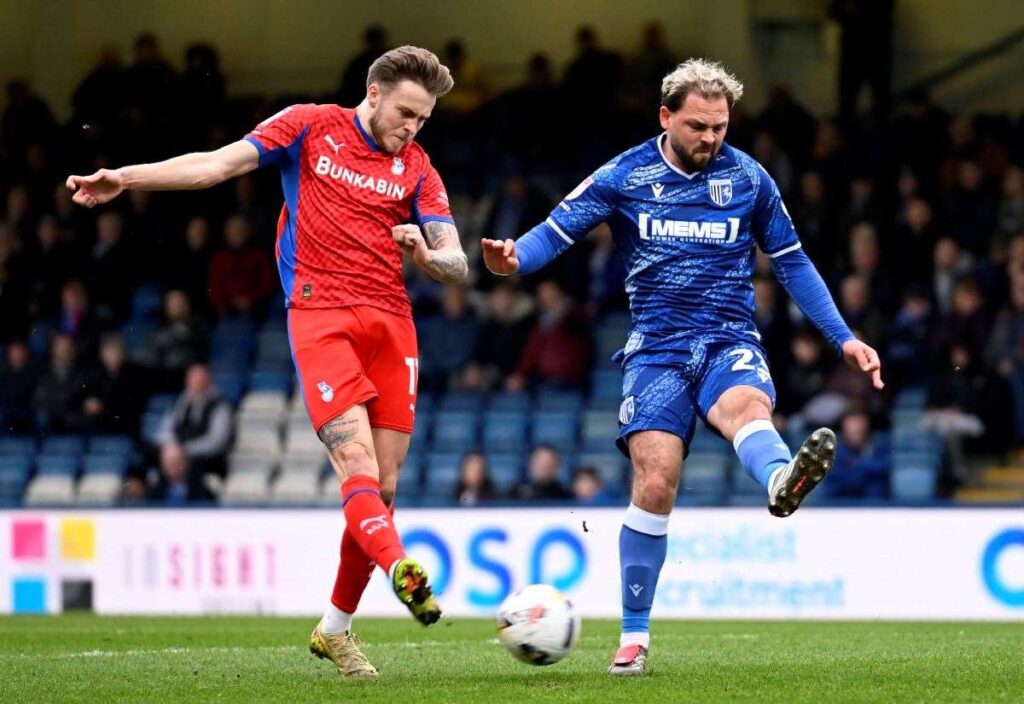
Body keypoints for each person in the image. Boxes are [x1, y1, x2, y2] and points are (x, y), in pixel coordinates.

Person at [66, 45, 467, 679]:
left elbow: (457, 262)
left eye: (424, 119)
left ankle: (335, 630)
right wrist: (126, 177)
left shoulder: (419, 168)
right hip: (321, 316)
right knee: (355, 464)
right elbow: (214, 167)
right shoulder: (310, 125)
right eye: (407, 113)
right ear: (374, 94)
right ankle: (399, 567)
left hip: (393, 326)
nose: (413, 128)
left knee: (384, 488)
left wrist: (424, 253)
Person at [482, 58, 883, 676]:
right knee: (657, 478)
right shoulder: (625, 173)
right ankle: (634, 636)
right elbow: (554, 233)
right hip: (657, 350)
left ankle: (781, 482)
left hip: (727, 339)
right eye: (699, 125)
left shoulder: (749, 179)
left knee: (747, 408)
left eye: (721, 126)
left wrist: (841, 337)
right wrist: (514, 260)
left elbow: (794, 263)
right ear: (666, 116)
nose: (711, 138)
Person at [153, 363, 233, 501]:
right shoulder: (179, 402)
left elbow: (216, 441)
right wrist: (172, 446)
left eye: (200, 379)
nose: (196, 383)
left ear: (208, 381)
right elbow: (165, 429)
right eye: (193, 379)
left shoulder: (220, 405)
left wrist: (185, 450)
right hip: (177, 453)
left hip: (205, 458)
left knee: (187, 467)